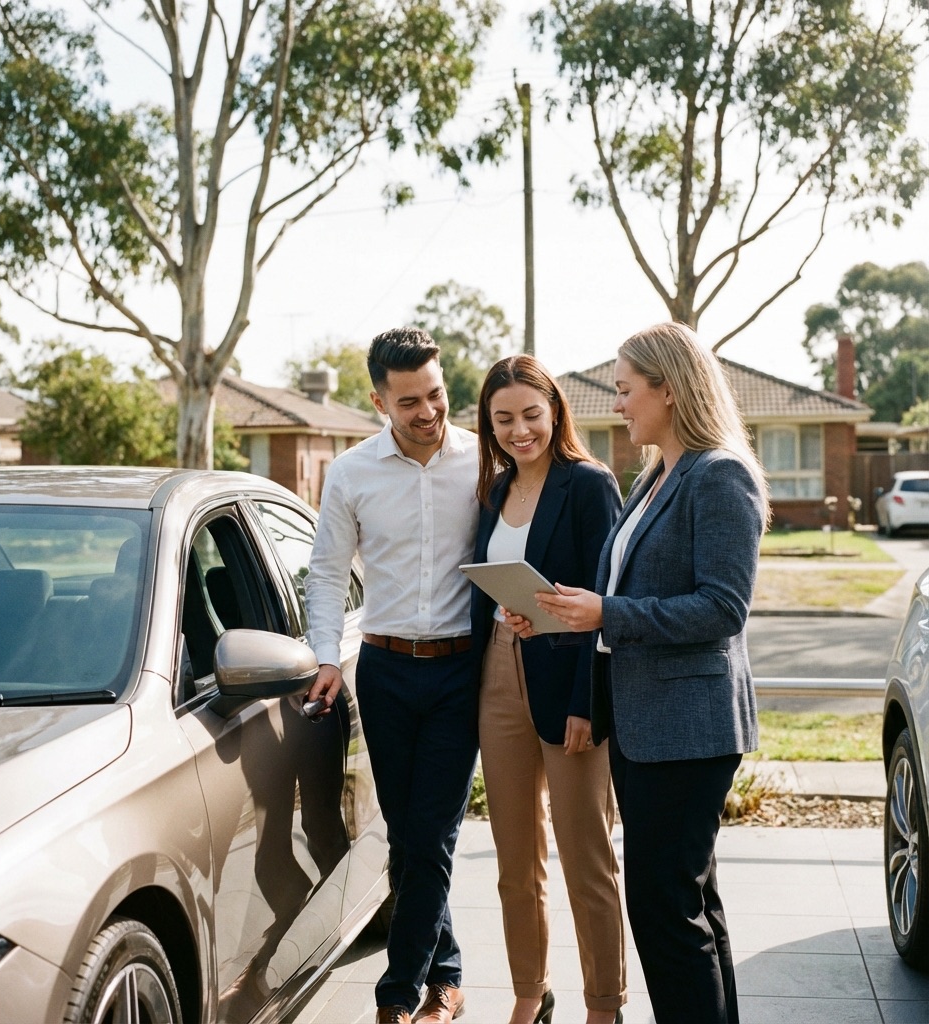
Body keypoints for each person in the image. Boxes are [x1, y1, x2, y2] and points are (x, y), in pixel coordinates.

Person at [527, 322, 771, 1024]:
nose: (617, 405)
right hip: (644, 727)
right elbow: (623, 595)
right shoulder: (657, 475)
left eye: (625, 389)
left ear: (669, 389)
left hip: (689, 732)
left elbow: (721, 608)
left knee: (664, 911)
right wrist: (559, 615)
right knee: (688, 904)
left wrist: (605, 612)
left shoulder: (718, 474)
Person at [303, 326, 480, 1024]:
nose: (428, 411)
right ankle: (448, 974)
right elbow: (325, 572)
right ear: (380, 402)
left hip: (461, 671)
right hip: (383, 673)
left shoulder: (483, 460)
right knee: (408, 838)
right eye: (409, 401)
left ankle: (397, 995)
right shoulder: (351, 473)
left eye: (435, 394)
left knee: (430, 836)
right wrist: (326, 656)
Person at [469, 355, 627, 1024]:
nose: (519, 431)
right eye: (503, 419)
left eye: (531, 415)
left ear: (555, 411)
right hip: (499, 673)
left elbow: (609, 597)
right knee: (514, 857)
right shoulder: (493, 491)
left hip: (570, 681)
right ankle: (531, 993)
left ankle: (604, 1005)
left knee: (586, 855)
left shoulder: (588, 484)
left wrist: (588, 703)